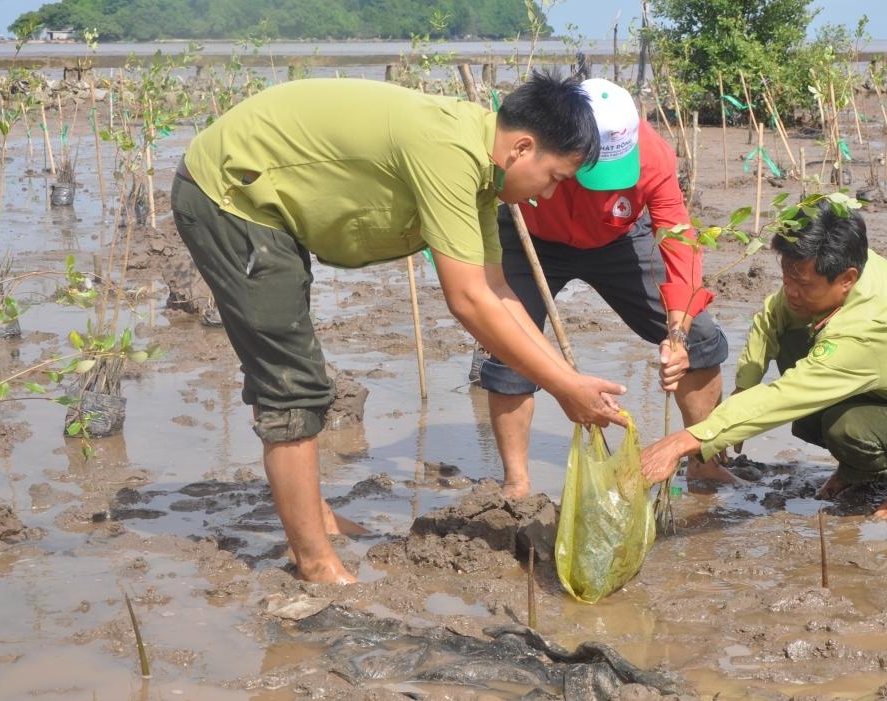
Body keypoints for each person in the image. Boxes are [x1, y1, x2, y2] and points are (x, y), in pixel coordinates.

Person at [171, 74, 627, 584]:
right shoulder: (448, 150)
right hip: (230, 195)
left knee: (292, 364)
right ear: (522, 148)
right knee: (293, 385)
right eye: (555, 178)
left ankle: (314, 516)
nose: (547, 196)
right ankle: (315, 563)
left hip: (269, 206)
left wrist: (570, 380)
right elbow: (468, 301)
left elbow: (497, 290)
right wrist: (565, 388)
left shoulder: (481, 172)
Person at [640, 201, 887, 518]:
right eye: (786, 276)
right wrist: (743, 389)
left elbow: (788, 395)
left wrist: (683, 441)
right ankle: (859, 468)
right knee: (796, 345)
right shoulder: (843, 264)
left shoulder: (868, 325)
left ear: (846, 279)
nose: (790, 289)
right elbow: (769, 320)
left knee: (846, 428)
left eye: (802, 282)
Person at [476, 78, 736, 499]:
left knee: (702, 341)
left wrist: (678, 332)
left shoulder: (652, 155)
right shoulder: (539, 146)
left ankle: (704, 464)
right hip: (531, 237)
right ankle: (517, 484)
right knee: (510, 351)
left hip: (620, 237)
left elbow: (679, 238)